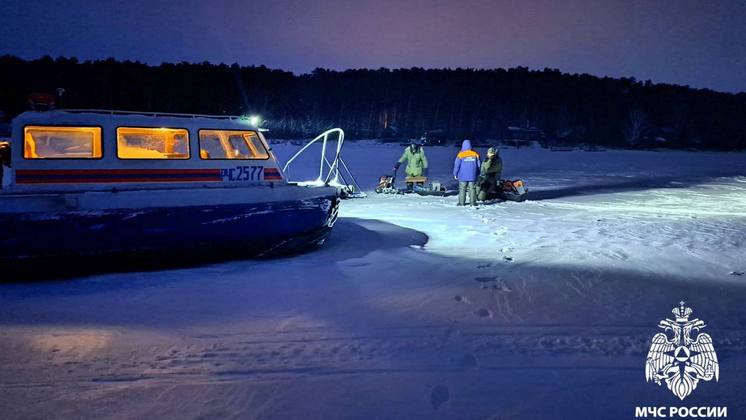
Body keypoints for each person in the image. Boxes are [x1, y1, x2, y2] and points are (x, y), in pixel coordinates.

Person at [453, 139, 480, 206]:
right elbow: (479, 165)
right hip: (472, 176)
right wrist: (478, 173)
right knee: (472, 189)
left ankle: (461, 203)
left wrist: (455, 174)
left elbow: (456, 165)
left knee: (462, 189)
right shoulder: (475, 154)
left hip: (462, 176)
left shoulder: (460, 155)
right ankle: (473, 203)